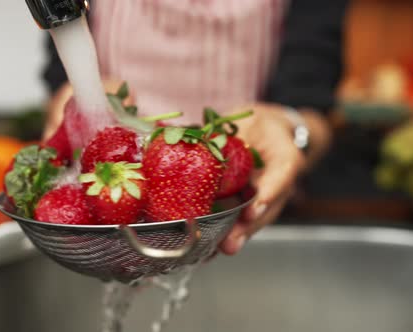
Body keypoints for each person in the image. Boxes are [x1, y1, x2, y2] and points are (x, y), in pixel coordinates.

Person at [42, 0, 349, 255]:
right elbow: (62, 66)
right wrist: (71, 107)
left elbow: (313, 98)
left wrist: (290, 128)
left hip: (247, 212)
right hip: (103, 219)